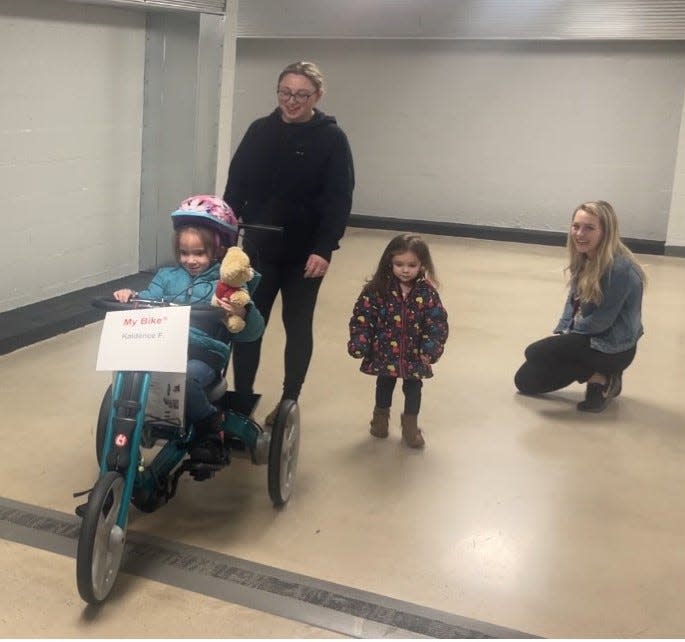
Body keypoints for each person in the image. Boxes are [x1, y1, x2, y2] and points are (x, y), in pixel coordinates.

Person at [223, 60, 355, 424]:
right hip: (258, 252)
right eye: (285, 92)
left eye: (301, 95)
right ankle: (243, 399)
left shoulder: (331, 139)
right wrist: (226, 236)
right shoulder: (259, 132)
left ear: (317, 96)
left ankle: (288, 401)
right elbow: (235, 188)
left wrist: (324, 248)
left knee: (298, 327)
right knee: (248, 324)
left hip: (304, 256)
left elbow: (338, 199)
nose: (292, 101)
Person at [113, 195, 265, 463]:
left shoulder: (224, 285)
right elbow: (150, 296)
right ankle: (129, 431)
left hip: (203, 354)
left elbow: (251, 332)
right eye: (184, 253)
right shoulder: (167, 277)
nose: (190, 260)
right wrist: (132, 296)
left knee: (185, 379)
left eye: (199, 253)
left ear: (219, 250)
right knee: (128, 377)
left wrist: (241, 311)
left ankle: (210, 423)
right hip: (163, 348)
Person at [514, 200, 646, 413]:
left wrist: (566, 342)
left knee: (536, 352)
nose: (579, 233)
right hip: (587, 337)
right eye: (576, 226)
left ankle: (605, 377)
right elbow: (573, 303)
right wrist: (564, 332)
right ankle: (600, 378)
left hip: (613, 348)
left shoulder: (619, 269)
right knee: (525, 382)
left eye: (589, 228)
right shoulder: (585, 257)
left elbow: (601, 322)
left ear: (606, 232)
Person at [347, 234, 449, 448]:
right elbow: (362, 317)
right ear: (389, 262)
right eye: (399, 264)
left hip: (415, 354)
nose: (405, 270)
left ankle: (410, 427)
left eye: (412, 264)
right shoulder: (377, 290)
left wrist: (431, 348)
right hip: (385, 351)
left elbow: (437, 322)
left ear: (422, 264)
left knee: (414, 388)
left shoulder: (427, 293)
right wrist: (360, 342)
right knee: (384, 384)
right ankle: (380, 421)